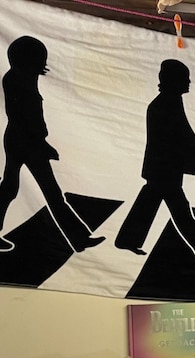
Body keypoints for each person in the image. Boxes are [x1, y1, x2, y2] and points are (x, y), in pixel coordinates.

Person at [0, 36, 105, 253]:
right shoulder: (16, 79)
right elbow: (22, 115)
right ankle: (79, 238)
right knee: (39, 191)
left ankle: (79, 238)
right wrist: (42, 143)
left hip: (22, 140)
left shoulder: (22, 77)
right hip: (24, 141)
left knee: (14, 188)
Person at [114, 59, 195, 264]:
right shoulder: (165, 104)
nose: (189, 82)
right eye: (184, 78)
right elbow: (175, 139)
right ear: (174, 80)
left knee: (149, 205)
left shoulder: (168, 102)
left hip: (162, 169)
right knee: (181, 211)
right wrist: (193, 163)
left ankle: (127, 240)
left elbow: (181, 137)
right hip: (165, 169)